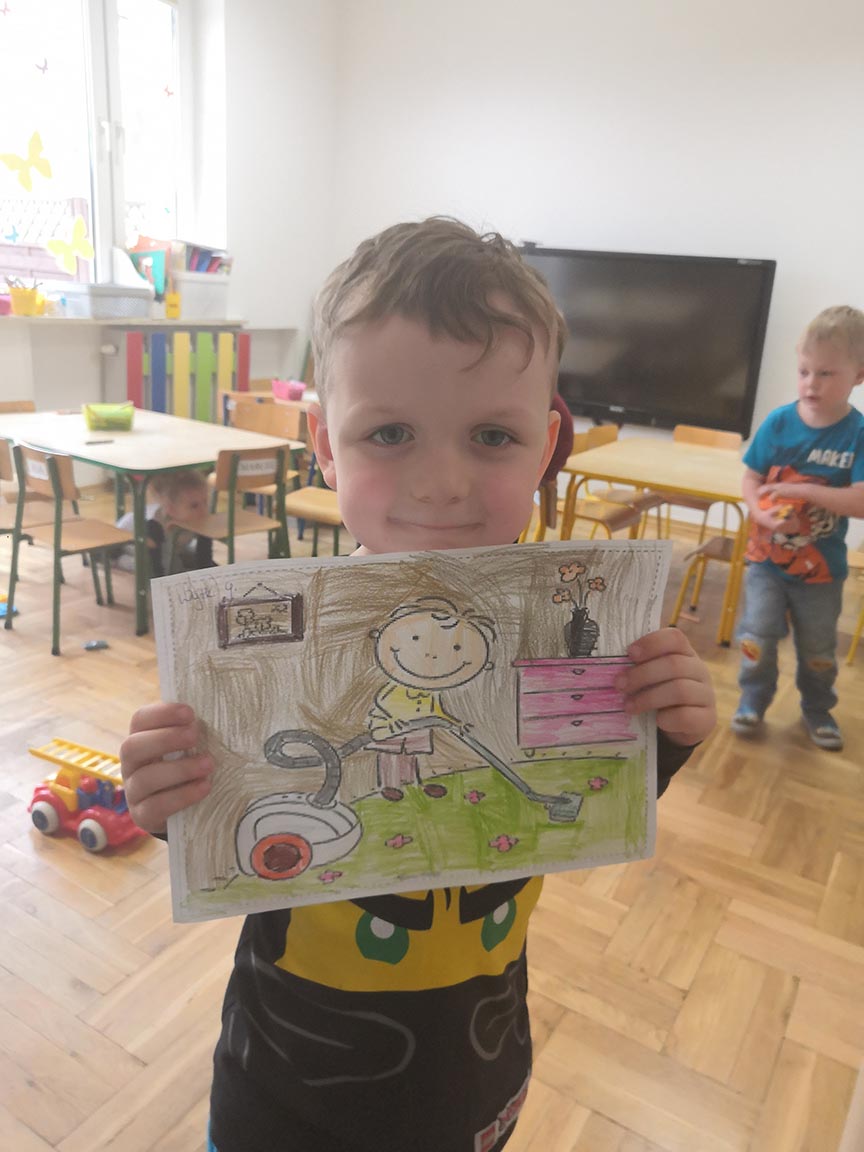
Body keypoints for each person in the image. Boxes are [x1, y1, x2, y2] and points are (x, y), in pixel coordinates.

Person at [119, 218, 717, 1152]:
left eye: (492, 435)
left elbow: (594, 791)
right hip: (285, 1088)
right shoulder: (281, 655)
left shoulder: (566, 637)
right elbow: (232, 830)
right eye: (389, 433)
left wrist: (664, 729)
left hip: (479, 1071)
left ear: (545, 446)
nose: (440, 484)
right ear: (326, 443)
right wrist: (172, 799)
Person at [731, 304, 864, 751]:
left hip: (821, 572)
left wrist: (803, 491)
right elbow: (751, 477)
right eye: (804, 371)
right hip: (765, 564)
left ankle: (818, 708)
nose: (811, 384)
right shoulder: (778, 423)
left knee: (819, 650)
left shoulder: (857, 434)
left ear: (858, 375)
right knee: (756, 638)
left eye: (825, 373)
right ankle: (752, 699)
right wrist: (758, 511)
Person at [115, 469, 214, 578]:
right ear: (171, 509)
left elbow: (204, 558)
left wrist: (207, 571)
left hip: (170, 548)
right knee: (156, 566)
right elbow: (157, 567)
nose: (204, 510)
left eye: (205, 502)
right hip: (130, 547)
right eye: (194, 506)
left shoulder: (195, 518)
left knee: (187, 557)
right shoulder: (155, 526)